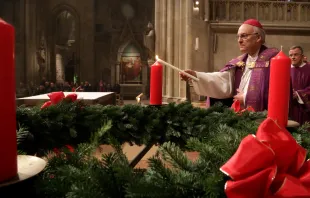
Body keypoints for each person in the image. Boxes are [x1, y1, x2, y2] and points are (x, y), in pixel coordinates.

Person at [180, 19, 279, 111]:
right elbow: (223, 80)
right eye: (238, 36)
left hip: (261, 117)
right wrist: (196, 75)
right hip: (239, 113)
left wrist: (246, 98)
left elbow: (278, 94)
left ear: (258, 37)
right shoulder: (240, 61)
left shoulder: (273, 60)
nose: (239, 40)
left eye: (244, 36)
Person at [289, 45, 310, 125]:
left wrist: (298, 94)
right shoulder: (286, 69)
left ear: (302, 56)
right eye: (291, 55)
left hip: (304, 108)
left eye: (296, 54)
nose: (293, 57)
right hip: (290, 107)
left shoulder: (308, 68)